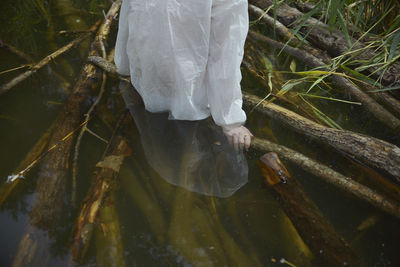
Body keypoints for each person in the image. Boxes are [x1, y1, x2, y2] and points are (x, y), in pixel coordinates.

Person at [114, 0, 253, 151]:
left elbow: (130, 12)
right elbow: (225, 49)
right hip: (191, 95)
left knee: (159, 145)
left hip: (146, 82)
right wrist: (231, 120)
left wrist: (124, 65)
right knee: (192, 157)